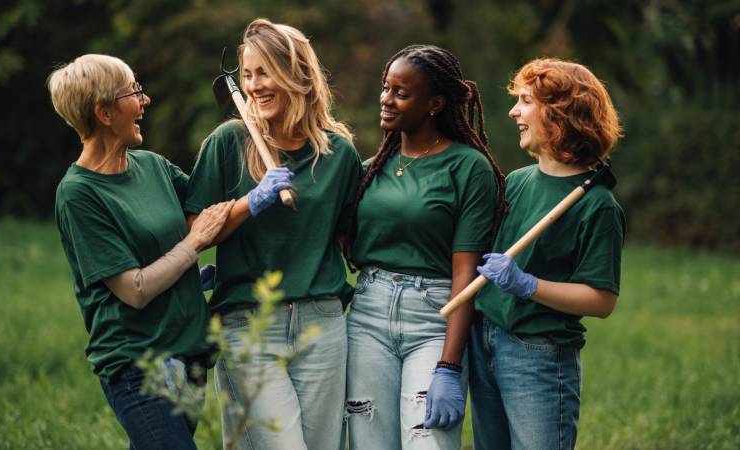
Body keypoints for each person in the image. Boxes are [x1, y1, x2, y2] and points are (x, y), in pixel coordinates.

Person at [183, 19, 362, 450]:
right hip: (249, 323)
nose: (254, 86)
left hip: (321, 322)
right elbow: (197, 234)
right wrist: (251, 202)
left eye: (264, 73)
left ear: (297, 76)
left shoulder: (338, 153)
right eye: (247, 75)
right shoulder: (228, 142)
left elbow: (349, 238)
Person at [48, 54, 234, 450]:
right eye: (134, 91)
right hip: (138, 363)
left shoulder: (153, 166)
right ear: (103, 112)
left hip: (189, 353)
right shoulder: (79, 193)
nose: (144, 100)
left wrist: (260, 190)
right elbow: (134, 289)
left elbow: (208, 218)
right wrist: (192, 245)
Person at [343, 44, 506, 449]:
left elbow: (466, 275)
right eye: (385, 87)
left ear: (435, 103)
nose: (386, 98)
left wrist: (450, 365)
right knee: (368, 441)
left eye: (401, 92)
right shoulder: (369, 171)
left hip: (434, 319)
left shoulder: (469, 168)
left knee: (427, 440)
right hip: (368, 316)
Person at [470, 58, 625, 450]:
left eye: (525, 101)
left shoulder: (597, 205)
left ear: (558, 113)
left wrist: (527, 284)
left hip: (538, 355)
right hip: (486, 339)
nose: (513, 111)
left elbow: (602, 300)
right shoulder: (518, 182)